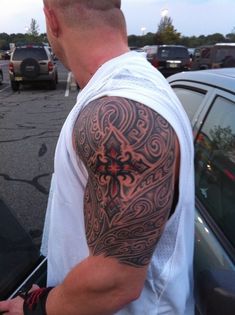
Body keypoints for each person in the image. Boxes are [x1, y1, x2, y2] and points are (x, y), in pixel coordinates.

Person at [0, 0, 195, 314]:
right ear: (118, 15)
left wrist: (35, 308)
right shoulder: (138, 83)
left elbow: (115, 280)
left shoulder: (116, 110)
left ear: (51, 18)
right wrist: (60, 293)